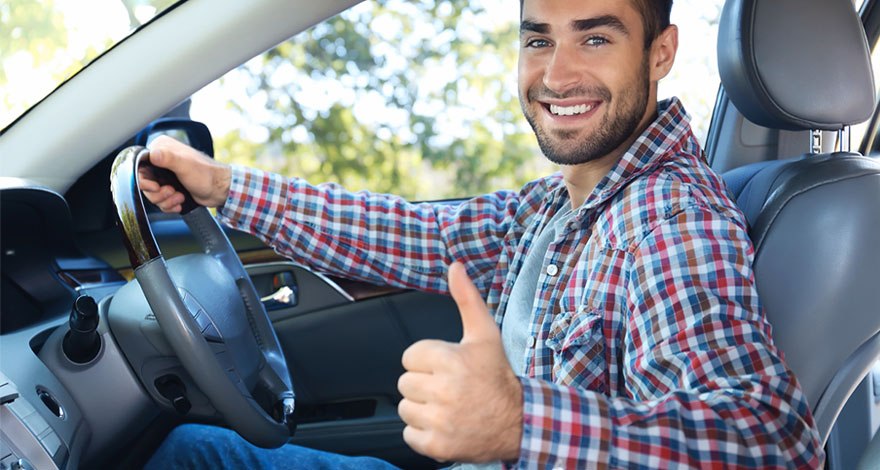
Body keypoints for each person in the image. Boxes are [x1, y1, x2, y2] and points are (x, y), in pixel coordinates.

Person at [140, 0, 824, 468]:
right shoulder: (555, 205)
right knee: (193, 450)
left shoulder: (668, 218)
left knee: (185, 457)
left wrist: (521, 422)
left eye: (595, 36)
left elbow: (771, 446)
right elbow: (410, 232)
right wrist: (223, 187)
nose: (556, 75)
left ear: (660, 52)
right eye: (538, 39)